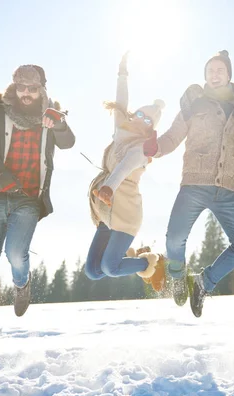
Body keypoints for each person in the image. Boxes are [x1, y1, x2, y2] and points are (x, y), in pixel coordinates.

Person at [143, 50, 234, 317]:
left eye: (219, 70)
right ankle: (178, 276)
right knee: (175, 239)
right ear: (205, 76)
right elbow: (171, 137)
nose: (214, 75)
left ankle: (204, 282)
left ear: (228, 75)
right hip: (194, 184)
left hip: (228, 190)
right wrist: (156, 148)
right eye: (210, 71)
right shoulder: (194, 103)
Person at [0, 65, 75, 317]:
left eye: (32, 88)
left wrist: (59, 125)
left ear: (42, 89)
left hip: (28, 199)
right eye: (21, 87)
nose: (26, 93)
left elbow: (68, 143)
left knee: (15, 253)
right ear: (14, 87)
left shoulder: (51, 115)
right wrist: (0, 173)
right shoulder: (0, 114)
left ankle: (21, 284)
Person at [85, 53, 166, 292]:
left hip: (126, 214)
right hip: (106, 210)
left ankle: (151, 262)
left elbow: (124, 167)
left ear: (151, 129)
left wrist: (108, 186)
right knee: (93, 271)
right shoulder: (121, 132)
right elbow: (120, 102)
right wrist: (122, 73)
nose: (141, 120)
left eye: (148, 121)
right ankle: (132, 255)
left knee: (111, 267)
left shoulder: (143, 149)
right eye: (139, 114)